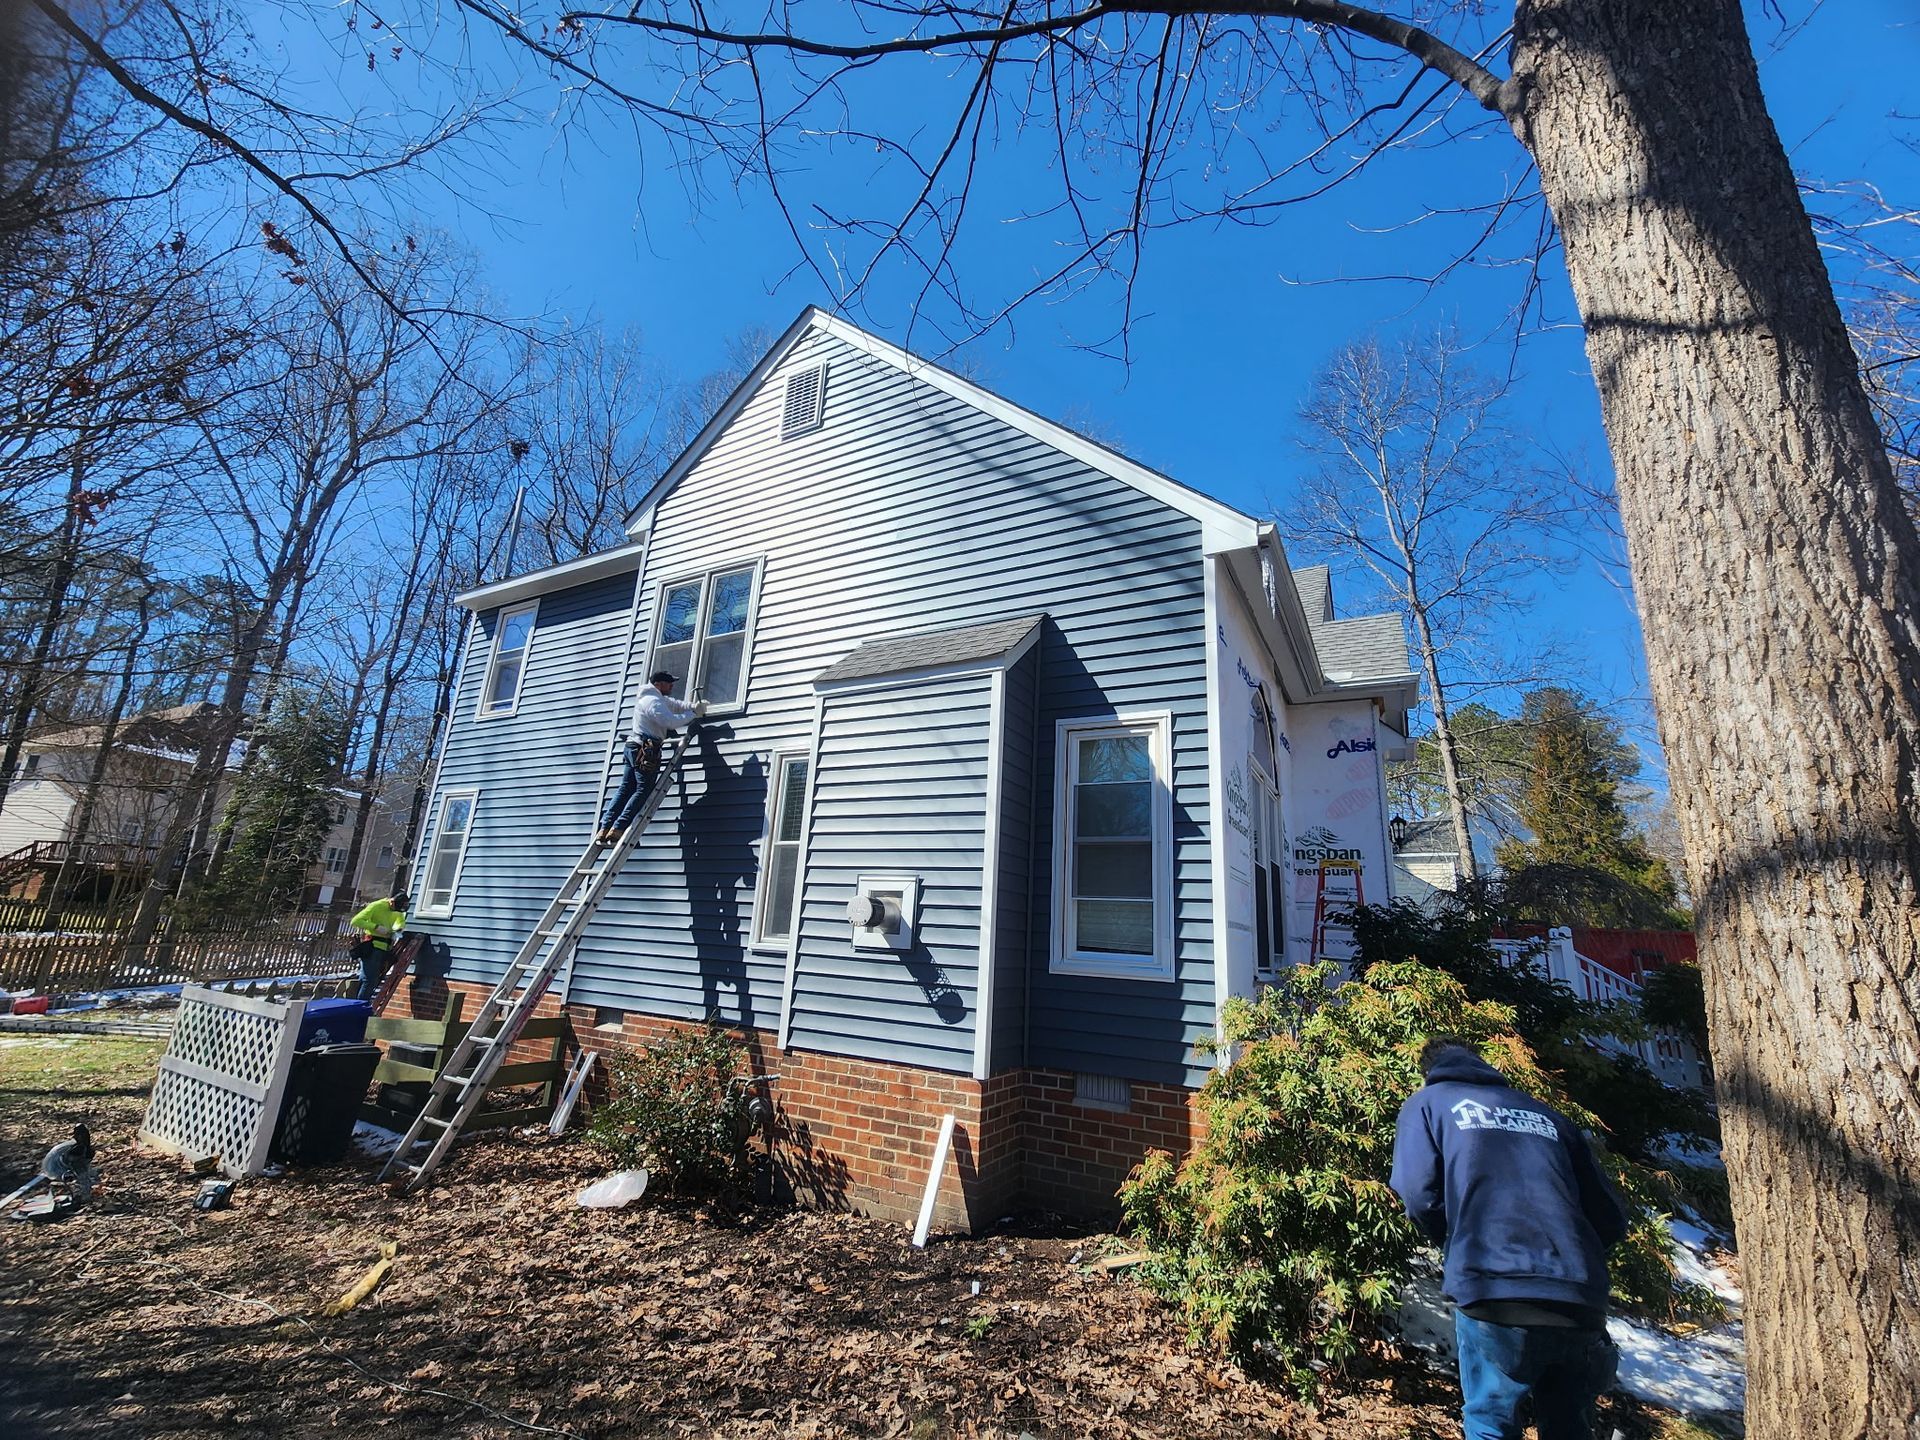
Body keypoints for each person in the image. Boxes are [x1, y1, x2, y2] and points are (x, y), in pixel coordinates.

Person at [1390, 1035, 1628, 1440]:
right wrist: (1568, 1262)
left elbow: (1416, 1193)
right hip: (1578, 1299)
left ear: (1427, 1072)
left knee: (1490, 1424)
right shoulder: (1548, 1115)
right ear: (1483, 1065)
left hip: (1493, 1290)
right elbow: (1610, 1217)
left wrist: (1456, 1242)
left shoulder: (1428, 1104)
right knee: (1571, 1427)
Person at [595, 670, 705, 844]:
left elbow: (674, 704)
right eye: (669, 683)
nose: (672, 686)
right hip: (644, 750)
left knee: (625, 789)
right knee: (643, 789)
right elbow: (669, 722)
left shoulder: (655, 698)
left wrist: (692, 706)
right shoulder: (652, 701)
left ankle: (605, 828)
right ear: (659, 684)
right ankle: (618, 828)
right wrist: (693, 715)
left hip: (634, 747)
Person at [349, 889, 409, 1004]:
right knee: (369, 980)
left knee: (370, 979)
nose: (395, 911)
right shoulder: (376, 906)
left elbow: (399, 920)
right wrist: (375, 927)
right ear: (392, 901)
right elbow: (355, 921)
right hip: (372, 947)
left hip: (385, 948)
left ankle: (356, 1003)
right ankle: (360, 1006)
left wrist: (398, 928)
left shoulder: (397, 910)